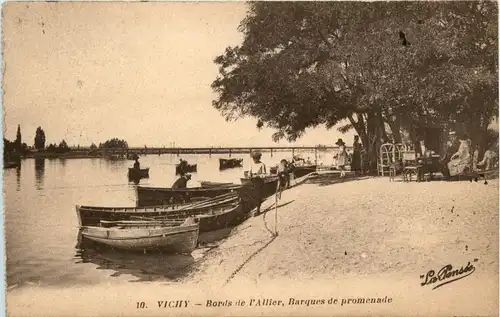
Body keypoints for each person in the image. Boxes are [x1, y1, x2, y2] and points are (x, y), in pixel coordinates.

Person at [247, 151, 267, 215]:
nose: (254, 159)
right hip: (252, 181)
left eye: (256, 158)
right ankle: (253, 208)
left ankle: (258, 210)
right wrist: (249, 174)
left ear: (259, 158)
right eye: (253, 158)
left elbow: (264, 175)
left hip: (259, 182)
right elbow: (249, 172)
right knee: (252, 195)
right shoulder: (251, 164)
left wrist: (257, 176)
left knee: (258, 196)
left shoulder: (262, 164)